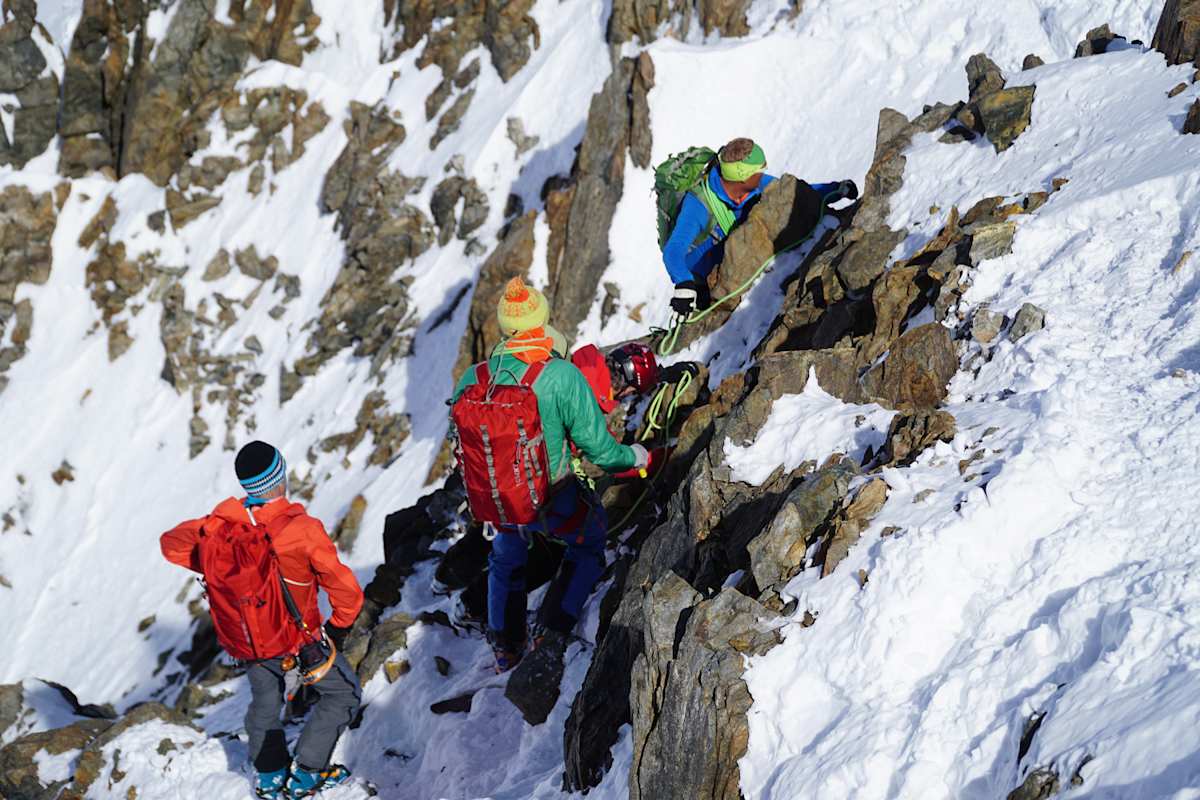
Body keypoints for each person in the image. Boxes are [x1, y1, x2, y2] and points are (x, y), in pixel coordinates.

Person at [451, 278, 655, 672]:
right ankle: (550, 631)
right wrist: (637, 454)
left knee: (505, 560)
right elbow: (601, 451)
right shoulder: (560, 376)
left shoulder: (473, 378)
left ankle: (505, 647)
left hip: (499, 500)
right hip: (551, 496)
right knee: (589, 542)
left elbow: (457, 442)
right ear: (540, 322)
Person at [160, 441, 364, 799]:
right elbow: (345, 588)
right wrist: (340, 626)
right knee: (343, 695)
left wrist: (217, 529)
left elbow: (171, 544)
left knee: (265, 703)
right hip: (300, 641)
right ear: (280, 476)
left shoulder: (222, 529)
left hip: (251, 642)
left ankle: (269, 776)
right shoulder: (302, 529)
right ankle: (307, 773)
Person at [662, 136, 858, 317]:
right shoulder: (698, 205)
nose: (763, 174)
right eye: (759, 170)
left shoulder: (754, 184)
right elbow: (674, 250)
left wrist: (835, 189)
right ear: (742, 176)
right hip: (702, 277)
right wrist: (684, 283)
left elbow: (794, 193)